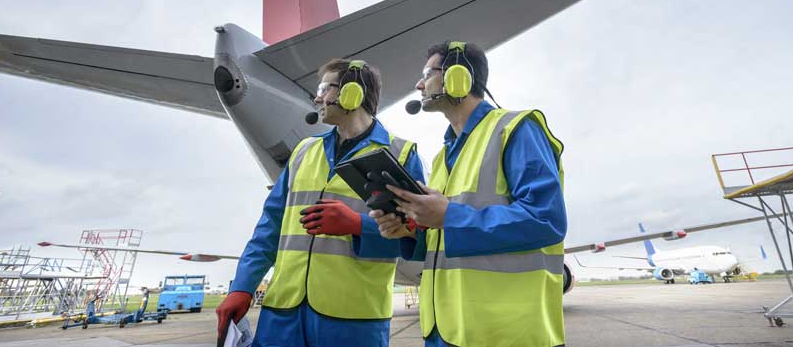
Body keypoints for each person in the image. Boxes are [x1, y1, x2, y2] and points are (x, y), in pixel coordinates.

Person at [217, 58, 425, 347]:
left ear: (353, 92)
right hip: (283, 313)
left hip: (352, 318)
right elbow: (270, 227)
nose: (317, 97)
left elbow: (416, 239)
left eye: (325, 88)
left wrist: (357, 225)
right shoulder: (304, 151)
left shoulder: (401, 154)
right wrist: (242, 287)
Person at [372, 41, 567, 347]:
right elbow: (442, 236)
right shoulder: (441, 158)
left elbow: (546, 221)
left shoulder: (516, 129)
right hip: (446, 330)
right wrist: (409, 232)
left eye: (427, 73)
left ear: (458, 75)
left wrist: (449, 214)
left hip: (503, 334)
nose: (419, 84)